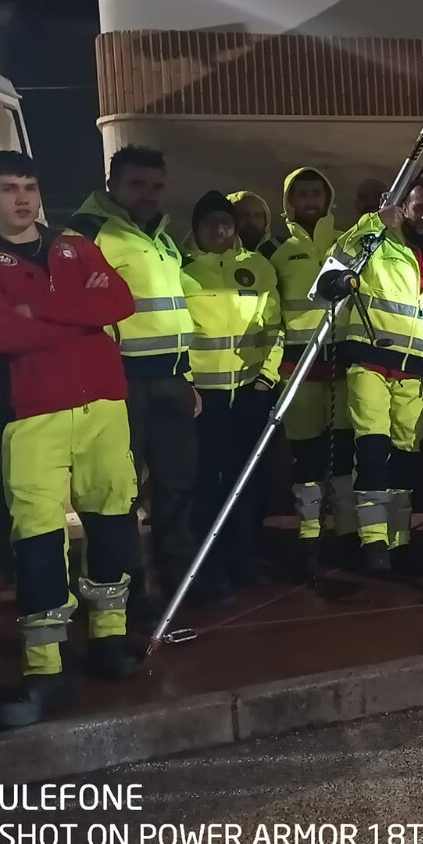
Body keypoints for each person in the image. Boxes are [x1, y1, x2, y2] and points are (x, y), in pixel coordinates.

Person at [0, 152, 142, 729]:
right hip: (33, 415)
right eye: (9, 189)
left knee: (113, 519)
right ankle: (44, 670)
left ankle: (109, 641)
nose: (23, 199)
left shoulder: (73, 243)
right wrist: (77, 313)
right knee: (37, 538)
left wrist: (41, 306)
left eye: (30, 187)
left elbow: (120, 302)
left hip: (105, 406)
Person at [69, 145, 197, 606]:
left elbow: (175, 313)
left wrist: (189, 377)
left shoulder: (159, 236)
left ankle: (180, 582)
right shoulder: (85, 234)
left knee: (177, 483)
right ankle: (130, 592)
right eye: (137, 184)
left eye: (156, 185)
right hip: (119, 384)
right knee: (119, 493)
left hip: (171, 381)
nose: (148, 194)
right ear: (112, 185)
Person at [317, 178, 423, 575]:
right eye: (419, 207)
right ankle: (373, 541)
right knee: (372, 452)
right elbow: (336, 258)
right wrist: (372, 222)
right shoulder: (377, 240)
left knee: (404, 458)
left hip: (416, 370)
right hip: (370, 360)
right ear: (405, 207)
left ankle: (399, 540)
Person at [181, 192, 283, 603]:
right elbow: (174, 332)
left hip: (248, 392)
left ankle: (245, 559)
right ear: (197, 228)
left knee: (246, 482)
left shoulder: (258, 268)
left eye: (226, 223)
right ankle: (209, 568)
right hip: (202, 398)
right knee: (205, 483)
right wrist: (185, 383)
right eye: (211, 224)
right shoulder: (181, 270)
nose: (220, 231)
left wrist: (267, 378)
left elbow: (275, 327)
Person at [272, 166, 356, 577]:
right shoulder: (277, 250)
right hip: (299, 367)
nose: (309, 201)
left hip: (340, 363)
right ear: (288, 202)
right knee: (306, 454)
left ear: (327, 200)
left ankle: (347, 530)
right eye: (301, 195)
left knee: (343, 452)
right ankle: (309, 533)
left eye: (315, 194)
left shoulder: (345, 243)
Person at [227, 190, 278, 259]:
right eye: (244, 215)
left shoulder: (280, 254)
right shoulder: (218, 255)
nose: (252, 221)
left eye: (258, 215)